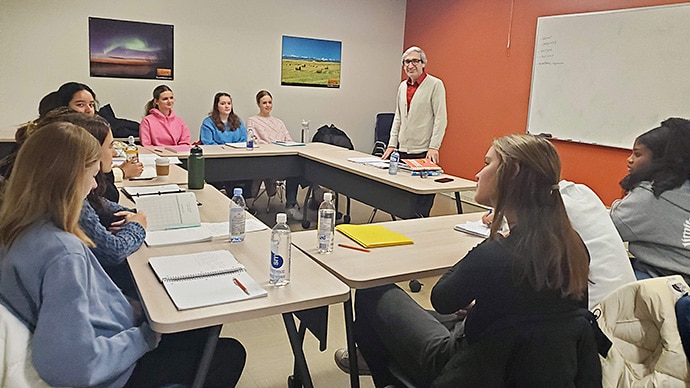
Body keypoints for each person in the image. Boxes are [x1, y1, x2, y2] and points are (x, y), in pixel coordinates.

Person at [0, 122, 246, 387]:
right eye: (92, 176)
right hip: (112, 371)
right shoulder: (63, 253)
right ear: (69, 180)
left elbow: (81, 308)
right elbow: (73, 365)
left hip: (105, 336)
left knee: (195, 327)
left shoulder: (21, 228)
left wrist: (131, 309)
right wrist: (144, 337)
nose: (95, 185)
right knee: (227, 353)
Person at [343, 134, 600, 387]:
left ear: (512, 173)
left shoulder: (495, 254)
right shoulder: (574, 247)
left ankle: (388, 378)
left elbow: (442, 298)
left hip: (464, 368)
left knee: (372, 292)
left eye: (488, 163)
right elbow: (547, 310)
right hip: (535, 372)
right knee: (435, 316)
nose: (478, 174)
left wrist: (493, 241)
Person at [481, 180, 637, 309]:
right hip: (628, 301)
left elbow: (511, 243)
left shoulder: (549, 208)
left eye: (488, 163)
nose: (479, 174)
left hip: (595, 316)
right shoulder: (582, 192)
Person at [610, 118, 690, 282]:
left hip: (662, 278)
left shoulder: (651, 195)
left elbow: (609, 228)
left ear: (660, 160)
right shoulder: (683, 187)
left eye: (638, 154)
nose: (629, 160)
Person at [382, 46, 447, 217]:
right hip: (403, 149)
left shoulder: (435, 85)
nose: (411, 65)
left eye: (415, 61)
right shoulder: (402, 86)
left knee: (422, 199)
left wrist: (434, 147)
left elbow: (441, 118)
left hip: (424, 151)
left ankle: (420, 224)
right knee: (404, 196)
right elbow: (398, 117)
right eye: (407, 62)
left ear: (423, 63)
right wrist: (391, 144)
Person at [247, 90, 306, 221]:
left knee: (296, 170)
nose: (267, 105)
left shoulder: (278, 122)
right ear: (258, 104)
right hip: (265, 160)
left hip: (283, 158)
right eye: (264, 103)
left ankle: (291, 205)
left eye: (269, 102)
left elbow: (288, 139)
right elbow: (253, 140)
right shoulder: (253, 121)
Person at [199, 92, 252, 197]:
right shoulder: (208, 122)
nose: (227, 106)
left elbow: (243, 139)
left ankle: (241, 199)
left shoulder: (238, 121)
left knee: (248, 170)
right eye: (223, 103)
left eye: (229, 103)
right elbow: (207, 142)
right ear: (216, 106)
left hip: (236, 157)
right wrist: (225, 148)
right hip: (217, 159)